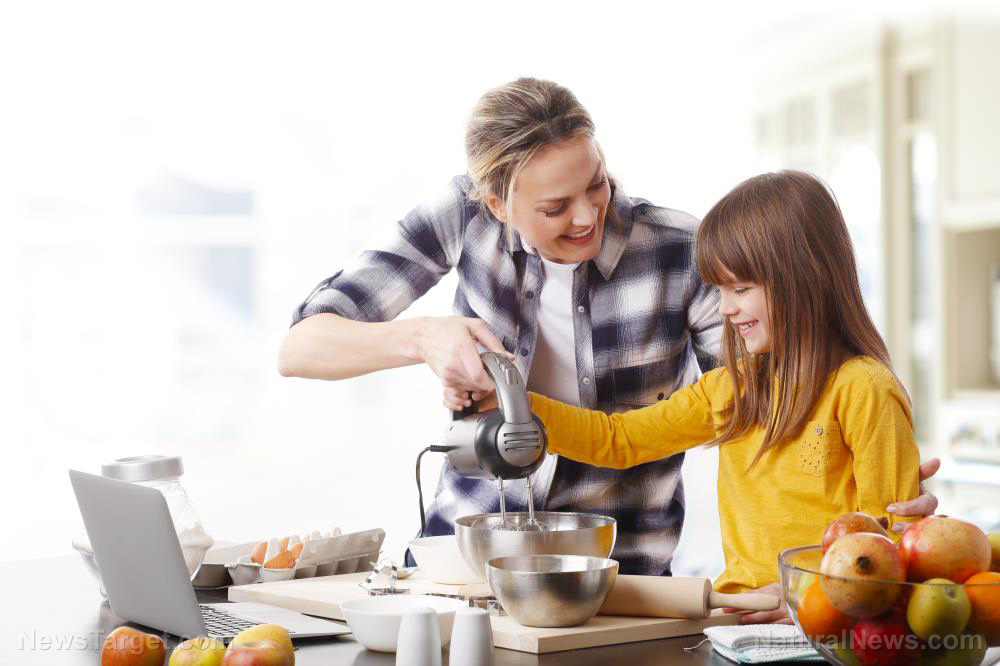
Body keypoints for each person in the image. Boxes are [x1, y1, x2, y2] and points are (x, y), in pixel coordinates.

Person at [278, 79, 938, 578]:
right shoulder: (459, 215)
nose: (588, 215)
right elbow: (301, 346)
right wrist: (426, 340)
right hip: (465, 563)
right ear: (494, 204)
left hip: (626, 579)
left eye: (596, 185)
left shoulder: (682, 249)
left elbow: (768, 409)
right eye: (554, 207)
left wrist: (886, 494)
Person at [527, 170, 923, 622]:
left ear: (803, 280)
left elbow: (888, 542)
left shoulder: (865, 389)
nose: (726, 308)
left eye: (740, 289)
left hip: (828, 625)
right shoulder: (733, 389)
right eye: (719, 291)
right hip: (741, 618)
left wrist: (808, 591)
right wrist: (514, 408)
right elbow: (619, 440)